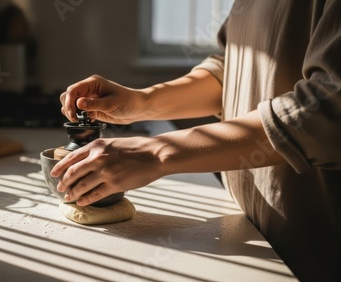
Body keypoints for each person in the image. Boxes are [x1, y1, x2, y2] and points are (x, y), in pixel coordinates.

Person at [50, 0, 341, 281]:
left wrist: (155, 154)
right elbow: (233, 69)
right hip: (242, 225)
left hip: (311, 247)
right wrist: (142, 102)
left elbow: (327, 109)